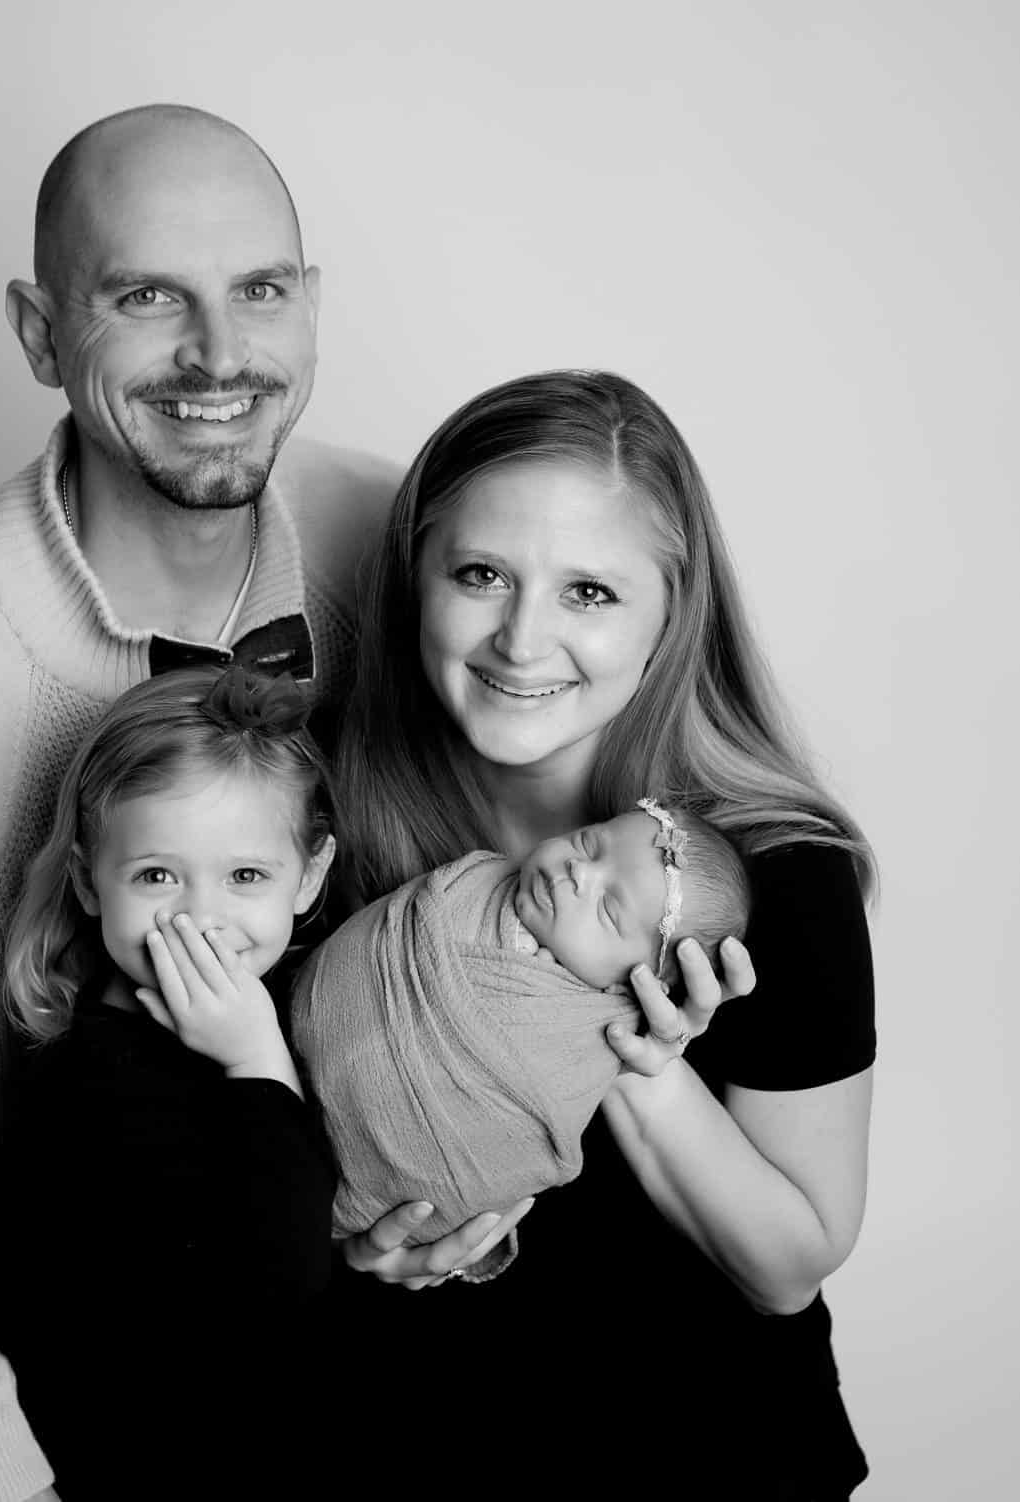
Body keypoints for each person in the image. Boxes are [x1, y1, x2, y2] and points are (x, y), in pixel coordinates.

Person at [0, 104, 400, 1502]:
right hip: (87, 1384)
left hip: (377, 1361)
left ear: (309, 305)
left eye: (257, 290)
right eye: (147, 296)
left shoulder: (399, 546)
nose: (217, 354)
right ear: (42, 334)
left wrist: (496, 1149)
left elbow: (525, 849)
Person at [324, 369, 878, 1498]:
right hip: (409, 1450)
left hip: (708, 1460)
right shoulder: (324, 826)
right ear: (413, 578)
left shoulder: (774, 874)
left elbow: (786, 1267)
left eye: (588, 592)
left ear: (672, 615)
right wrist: (357, 1247)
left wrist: (633, 1055)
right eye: (480, 574)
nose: (522, 640)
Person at [0, 664, 338, 1483]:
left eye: (246, 876)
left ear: (309, 876)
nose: (200, 917)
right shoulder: (99, 1081)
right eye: (157, 876)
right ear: (90, 881)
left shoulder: (310, 1005)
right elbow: (281, 1284)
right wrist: (255, 1062)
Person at [291, 798, 751, 1240]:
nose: (579, 871)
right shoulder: (481, 883)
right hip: (291, 1022)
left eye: (608, 910)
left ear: (643, 982)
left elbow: (512, 1141)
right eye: (589, 843)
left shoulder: (590, 1034)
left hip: (361, 1168)